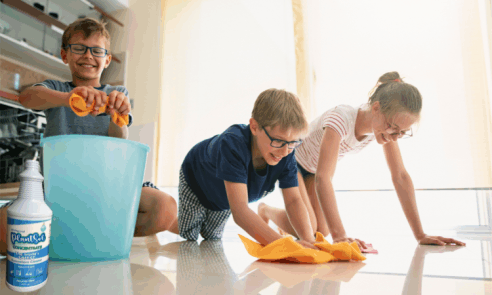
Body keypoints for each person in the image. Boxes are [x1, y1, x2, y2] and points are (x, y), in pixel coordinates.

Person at [0, 18, 176, 254]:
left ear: (107, 59)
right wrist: (68, 99)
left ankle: (100, 233)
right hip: (57, 187)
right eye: (79, 48)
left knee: (165, 209)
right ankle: (65, 235)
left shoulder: (117, 93)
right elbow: (27, 97)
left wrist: (116, 115)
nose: (88, 56)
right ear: (65, 55)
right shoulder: (58, 89)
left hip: (107, 187)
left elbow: (119, 140)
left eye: (96, 50)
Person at [258, 72, 466, 248]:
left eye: (402, 133)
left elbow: (400, 176)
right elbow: (324, 178)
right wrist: (341, 236)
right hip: (293, 162)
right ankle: (265, 209)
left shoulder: (382, 129)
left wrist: (420, 235)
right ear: (376, 108)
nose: (394, 136)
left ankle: (287, 218)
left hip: (311, 169)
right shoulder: (340, 120)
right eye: (393, 127)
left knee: (323, 231)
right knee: (310, 230)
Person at [168, 88, 317, 249]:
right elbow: (240, 211)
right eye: (278, 141)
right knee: (189, 234)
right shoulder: (232, 145)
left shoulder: (286, 152)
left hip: (223, 197)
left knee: (211, 237)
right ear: (254, 127)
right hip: (196, 181)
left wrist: (309, 240)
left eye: (293, 142)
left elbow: (294, 200)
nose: (285, 151)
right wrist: (283, 245)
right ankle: (165, 220)